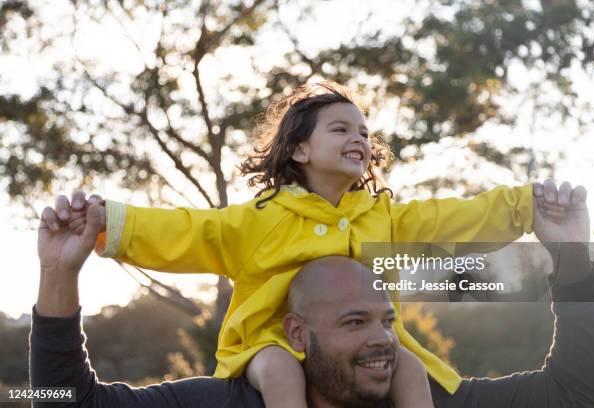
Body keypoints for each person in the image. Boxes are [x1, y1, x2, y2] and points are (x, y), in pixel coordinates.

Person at [56, 81, 566, 407]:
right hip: (268, 345)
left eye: (364, 132)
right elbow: (188, 232)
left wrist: (526, 205)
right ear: (299, 148)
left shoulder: (381, 217)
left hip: (361, 354)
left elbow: (454, 219)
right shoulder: (260, 219)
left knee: (411, 366)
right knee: (280, 372)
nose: (359, 139)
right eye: (341, 128)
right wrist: (109, 224)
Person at [31, 181, 594, 407]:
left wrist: (571, 254)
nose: (383, 337)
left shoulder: (432, 398)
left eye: (387, 319)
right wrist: (59, 276)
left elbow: (580, 393)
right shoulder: (235, 404)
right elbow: (61, 402)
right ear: (297, 334)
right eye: (355, 322)